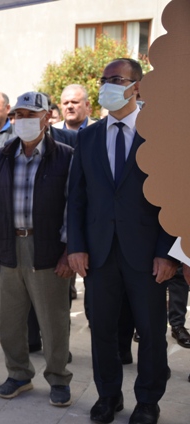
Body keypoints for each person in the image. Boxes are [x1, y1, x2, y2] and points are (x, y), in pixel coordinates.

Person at [68, 58, 177, 424]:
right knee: (102, 331)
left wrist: (167, 253)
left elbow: (172, 197)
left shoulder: (158, 134)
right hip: (98, 254)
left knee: (150, 332)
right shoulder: (87, 137)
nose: (107, 86)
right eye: (104, 80)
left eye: (116, 79)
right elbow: (77, 198)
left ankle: (148, 401)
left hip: (147, 256)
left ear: (137, 87)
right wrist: (76, 247)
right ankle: (108, 395)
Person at [0, 92, 74, 406]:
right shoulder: (2, 156)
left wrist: (66, 252)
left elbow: (74, 208)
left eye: (32, 115)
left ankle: (58, 379)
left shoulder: (66, 156)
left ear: (48, 118)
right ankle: (18, 375)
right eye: (20, 115)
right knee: (8, 321)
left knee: (53, 321)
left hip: (47, 248)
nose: (25, 121)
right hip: (7, 247)